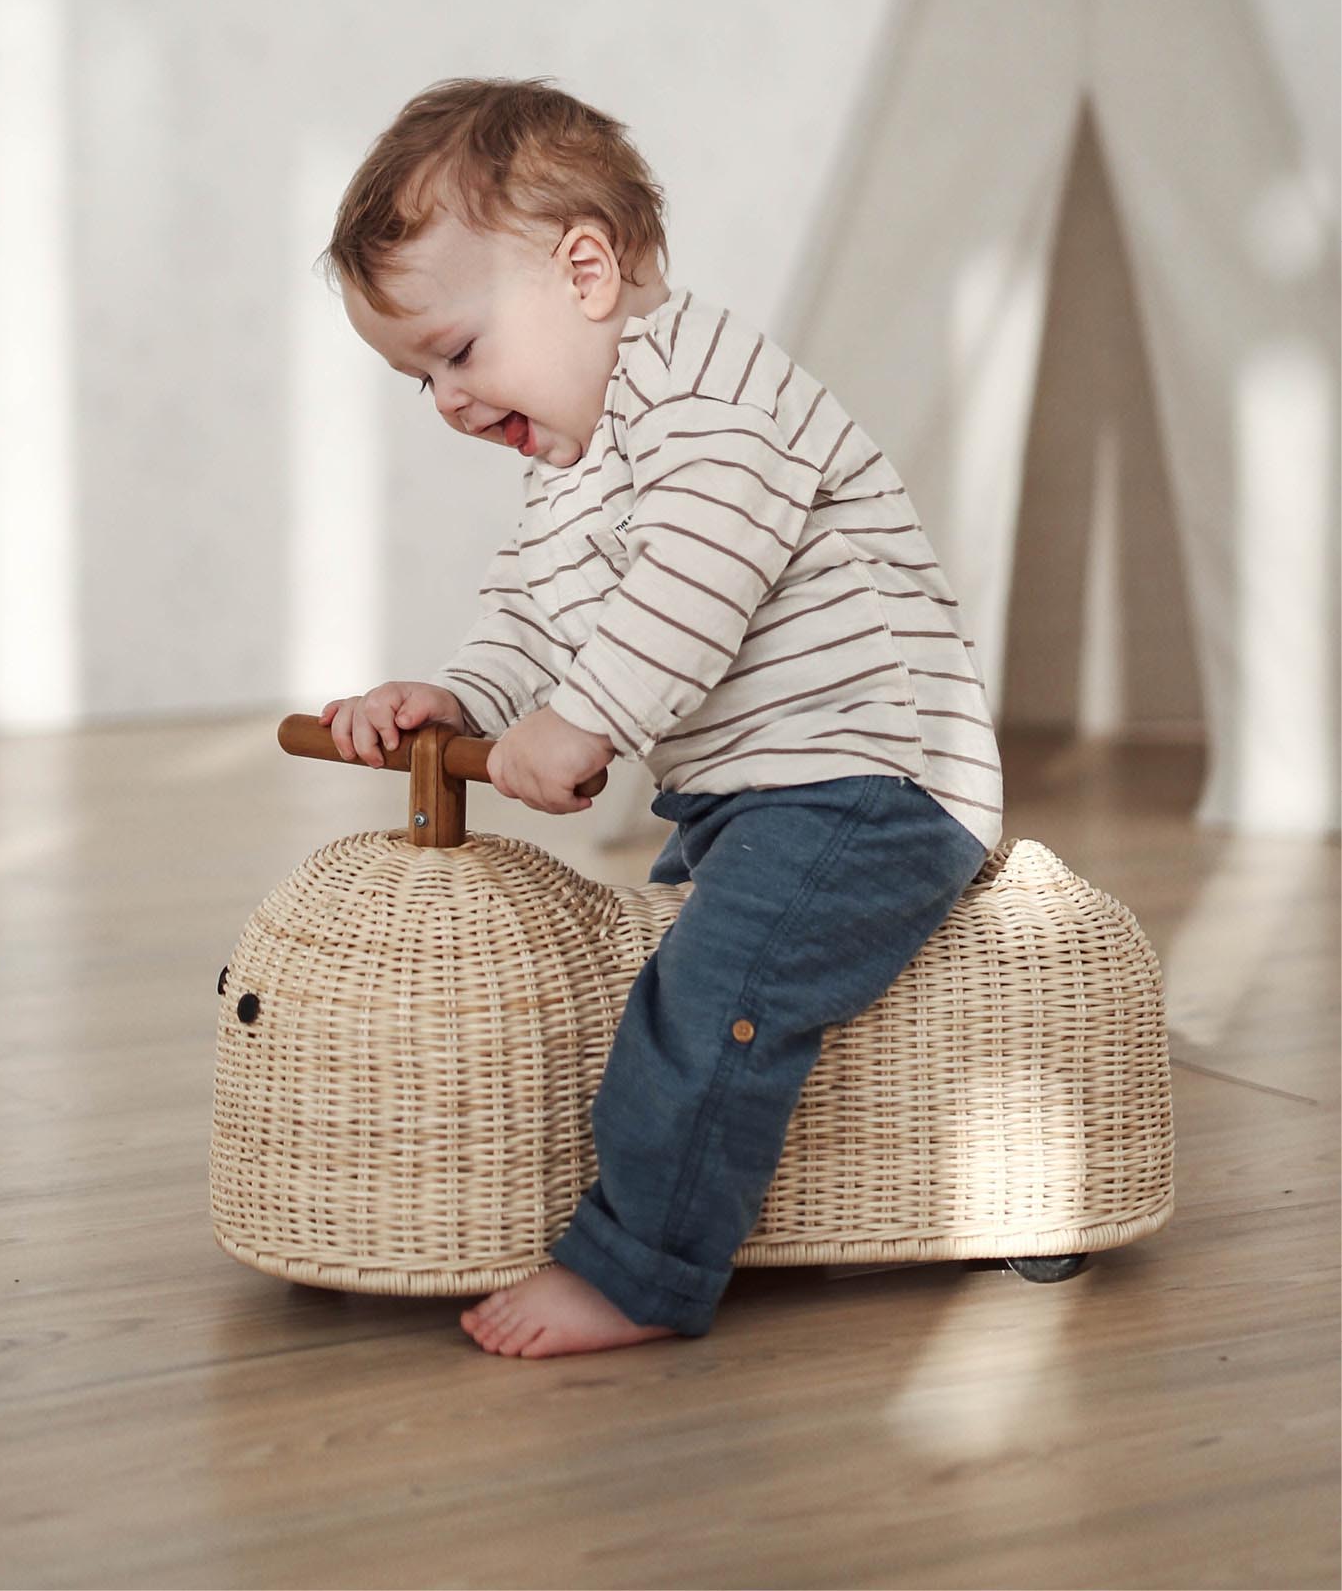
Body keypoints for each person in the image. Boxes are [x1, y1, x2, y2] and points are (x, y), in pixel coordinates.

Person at [316, 75, 1004, 1358]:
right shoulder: (579, 457)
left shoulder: (708, 402)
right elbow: (532, 610)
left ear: (586, 271)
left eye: (456, 352)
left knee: (709, 999)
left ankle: (639, 1271)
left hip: (874, 783)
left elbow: (697, 578)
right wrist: (463, 699)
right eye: (421, 382)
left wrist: (584, 723)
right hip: (764, 797)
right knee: (679, 977)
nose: (450, 402)